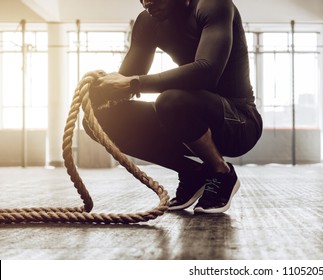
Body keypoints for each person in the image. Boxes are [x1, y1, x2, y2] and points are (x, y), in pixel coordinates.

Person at [84, 0, 262, 214]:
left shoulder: (212, 5)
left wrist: (134, 83)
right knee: (99, 121)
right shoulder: (147, 21)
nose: (146, 2)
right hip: (185, 118)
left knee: (170, 101)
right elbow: (125, 83)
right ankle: (192, 173)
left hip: (239, 123)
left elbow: (207, 73)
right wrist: (100, 92)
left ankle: (221, 172)